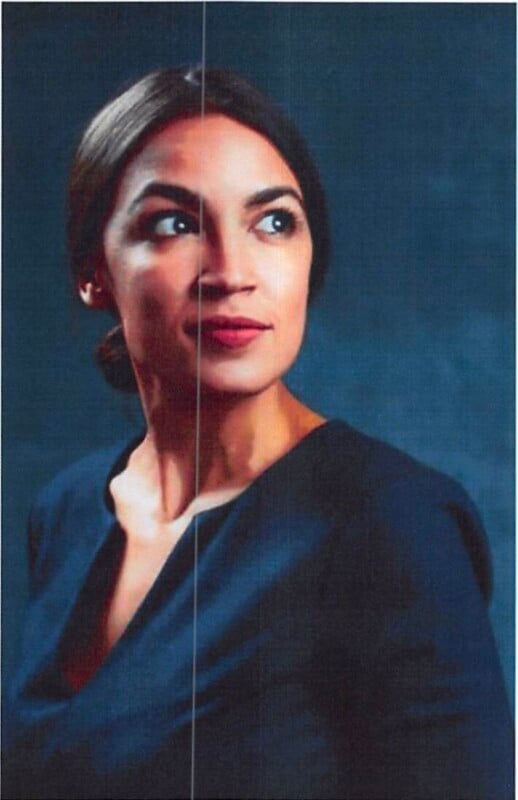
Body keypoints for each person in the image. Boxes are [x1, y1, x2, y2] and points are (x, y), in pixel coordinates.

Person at [4, 67, 513, 799]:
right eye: (175, 224)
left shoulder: (393, 521)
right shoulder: (68, 508)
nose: (232, 272)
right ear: (94, 273)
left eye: (273, 222)